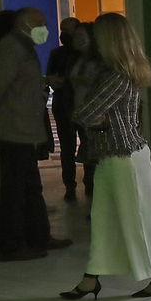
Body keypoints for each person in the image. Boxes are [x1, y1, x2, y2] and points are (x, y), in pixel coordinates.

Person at [59, 12, 151, 299]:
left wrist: (95, 116)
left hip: (125, 156)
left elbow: (84, 113)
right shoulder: (111, 72)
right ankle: (91, 278)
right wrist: (97, 117)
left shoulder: (118, 76)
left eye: (97, 35)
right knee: (103, 219)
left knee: (138, 219)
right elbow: (91, 114)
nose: (93, 40)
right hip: (112, 155)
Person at [0, 8, 72, 261]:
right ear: (24, 23)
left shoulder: (22, 47)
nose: (45, 28)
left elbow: (20, 81)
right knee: (14, 191)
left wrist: (45, 80)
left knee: (30, 187)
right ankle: (11, 245)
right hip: (12, 130)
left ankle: (38, 235)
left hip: (23, 130)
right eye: (40, 23)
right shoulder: (11, 48)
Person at [46, 18, 90, 202]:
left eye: (69, 30)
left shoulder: (88, 56)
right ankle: (70, 187)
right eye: (63, 30)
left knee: (89, 145)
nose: (65, 34)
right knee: (67, 147)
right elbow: (51, 78)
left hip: (84, 105)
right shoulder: (57, 53)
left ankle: (90, 184)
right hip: (63, 105)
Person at [67, 22, 103, 201]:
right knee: (88, 151)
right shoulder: (78, 59)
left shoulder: (99, 61)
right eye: (76, 35)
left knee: (95, 152)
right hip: (81, 111)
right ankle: (90, 186)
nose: (78, 39)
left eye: (82, 35)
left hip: (94, 113)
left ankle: (96, 188)